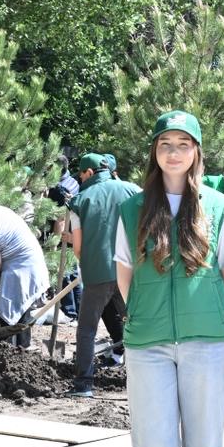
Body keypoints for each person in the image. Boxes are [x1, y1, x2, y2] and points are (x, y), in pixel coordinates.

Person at [113, 110, 224, 447]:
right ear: (154, 152)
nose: (173, 152)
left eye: (183, 144)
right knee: (153, 446)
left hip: (205, 342)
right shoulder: (132, 208)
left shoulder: (219, 206)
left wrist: (204, 312)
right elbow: (125, 273)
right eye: (165, 143)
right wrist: (147, 314)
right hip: (148, 344)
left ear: (196, 153)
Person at [66, 153, 140, 396]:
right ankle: (141, 380)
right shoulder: (133, 190)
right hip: (130, 270)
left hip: (98, 271)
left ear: (89, 172)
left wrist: (89, 262)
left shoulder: (79, 200)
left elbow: (78, 247)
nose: (79, 178)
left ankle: (84, 385)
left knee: (87, 328)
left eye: (81, 174)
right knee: (137, 323)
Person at [0, 204, 48, 349]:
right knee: (20, 310)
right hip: (25, 263)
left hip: (23, 266)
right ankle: (20, 350)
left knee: (13, 313)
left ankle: (12, 352)